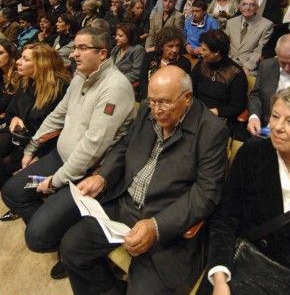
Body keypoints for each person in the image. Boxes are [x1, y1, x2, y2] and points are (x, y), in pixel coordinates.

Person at [12, 66, 228, 293]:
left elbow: (206, 193)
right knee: (72, 249)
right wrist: (104, 176)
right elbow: (124, 146)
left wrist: (156, 226)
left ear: (187, 98)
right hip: (124, 203)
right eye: (152, 101)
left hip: (164, 217)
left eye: (164, 102)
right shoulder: (147, 110)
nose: (156, 110)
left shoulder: (211, 131)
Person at [1, 28, 136, 272]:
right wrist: (31, 148)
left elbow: (93, 148)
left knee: (36, 238)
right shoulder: (80, 77)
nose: (74, 54)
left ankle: (66, 246)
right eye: (74, 48)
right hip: (59, 157)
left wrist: (55, 181)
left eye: (82, 48)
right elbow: (57, 116)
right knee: (11, 192)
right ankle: (56, 224)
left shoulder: (115, 87)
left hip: (84, 172)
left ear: (102, 53)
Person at [207, 86, 290, 295]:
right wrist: (220, 277)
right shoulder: (251, 154)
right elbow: (225, 218)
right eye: (275, 116)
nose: (277, 127)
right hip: (242, 265)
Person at [0, 43, 70, 195]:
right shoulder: (27, 81)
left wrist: (37, 156)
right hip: (19, 136)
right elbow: (11, 110)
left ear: (41, 64)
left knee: (22, 177)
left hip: (45, 147)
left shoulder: (61, 89)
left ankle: (25, 194)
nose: (18, 61)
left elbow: (59, 131)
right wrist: (14, 119)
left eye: (25, 59)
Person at [191, 29, 247, 137]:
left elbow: (237, 107)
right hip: (197, 112)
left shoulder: (236, 73)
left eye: (204, 49)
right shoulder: (202, 64)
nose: (200, 51)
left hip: (220, 118)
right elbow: (190, 88)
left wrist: (215, 112)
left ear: (216, 52)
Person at [225, 0, 273, 75]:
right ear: (240, 7)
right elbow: (225, 44)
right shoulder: (230, 22)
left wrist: (247, 66)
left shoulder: (266, 25)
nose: (248, 8)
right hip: (229, 62)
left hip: (249, 66)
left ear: (257, 8)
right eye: (244, 4)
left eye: (252, 5)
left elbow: (259, 50)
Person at [140, 26, 191, 98]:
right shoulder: (150, 57)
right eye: (170, 46)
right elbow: (143, 81)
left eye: (177, 46)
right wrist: (149, 99)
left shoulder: (184, 63)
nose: (175, 50)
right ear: (161, 46)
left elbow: (180, 90)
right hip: (148, 98)